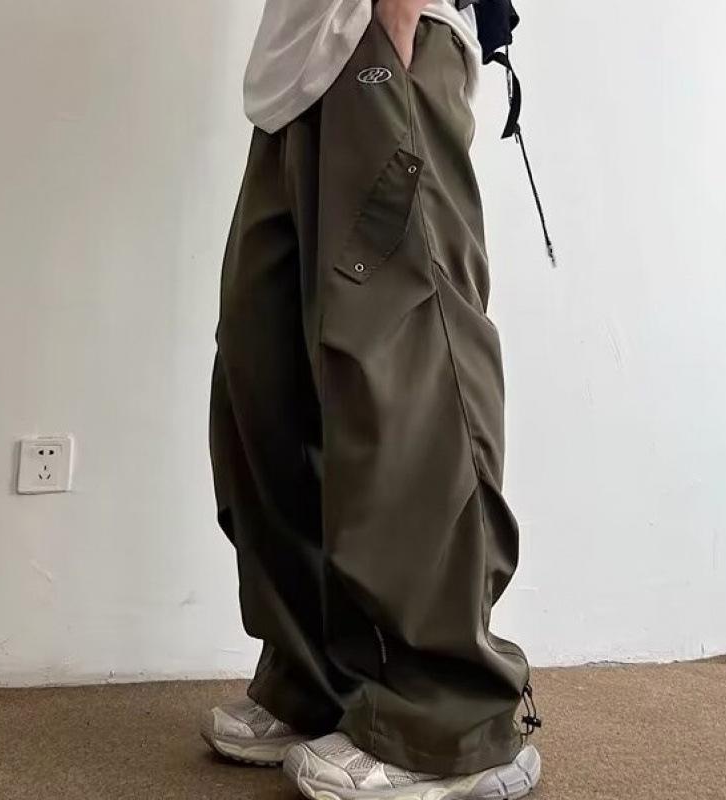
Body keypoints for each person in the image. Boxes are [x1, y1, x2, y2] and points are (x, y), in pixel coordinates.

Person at [203, 1, 543, 797]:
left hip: (383, 33)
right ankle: (320, 681)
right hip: (296, 67)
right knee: (266, 371)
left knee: (407, 371)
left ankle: (447, 719)